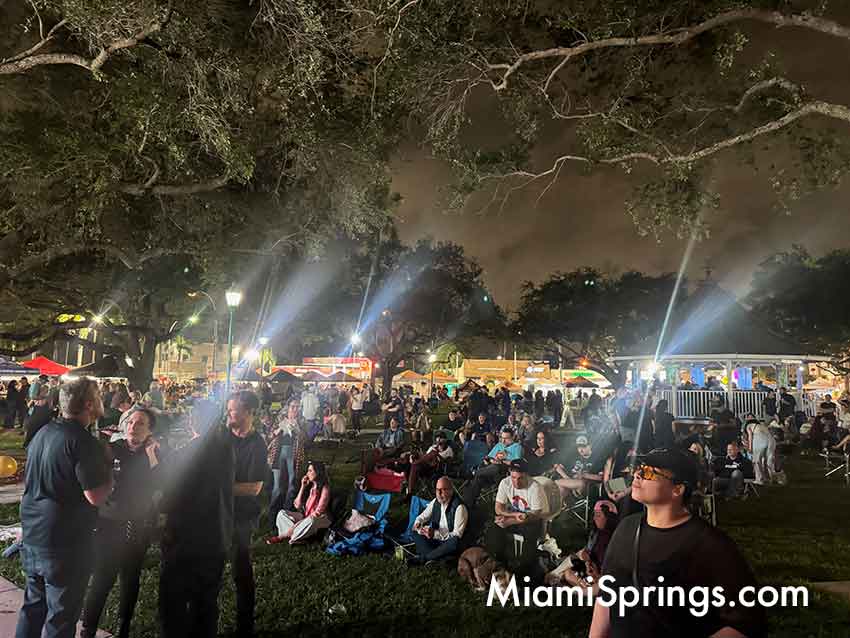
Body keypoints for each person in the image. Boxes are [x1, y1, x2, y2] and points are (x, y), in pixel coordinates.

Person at [590, 448, 766, 637]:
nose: (637, 475)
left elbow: (745, 622)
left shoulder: (710, 545)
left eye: (649, 472)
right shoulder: (627, 528)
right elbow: (608, 594)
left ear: (677, 489)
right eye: (640, 468)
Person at [16, 378, 113, 638]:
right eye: (99, 396)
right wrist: (110, 470)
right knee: (60, 616)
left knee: (33, 607)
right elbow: (96, 496)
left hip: (34, 532)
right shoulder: (83, 441)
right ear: (90, 404)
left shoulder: (44, 432)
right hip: (64, 542)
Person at [81, 409, 161, 638]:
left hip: (139, 525)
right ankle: (88, 628)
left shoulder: (154, 454)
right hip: (109, 523)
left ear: (150, 430)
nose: (133, 426)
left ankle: (124, 626)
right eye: (130, 422)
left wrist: (152, 454)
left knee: (130, 577)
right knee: (102, 577)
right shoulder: (112, 450)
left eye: (140, 423)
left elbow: (161, 482)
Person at [158, 395, 234, 638]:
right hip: (216, 536)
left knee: (174, 601)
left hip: (186, 538)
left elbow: (170, 495)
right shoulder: (226, 449)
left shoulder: (188, 453)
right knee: (206, 601)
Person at [226, 390, 269, 638]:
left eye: (233, 410)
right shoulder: (223, 437)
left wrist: (219, 487)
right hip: (217, 512)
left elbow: (254, 487)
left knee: (241, 569)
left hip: (242, 515)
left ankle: (245, 625)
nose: (229, 414)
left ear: (248, 412)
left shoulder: (257, 444)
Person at [485, 458, 546, 571]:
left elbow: (536, 515)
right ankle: (499, 563)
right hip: (515, 516)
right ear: (509, 473)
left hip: (532, 520)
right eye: (513, 477)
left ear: (526, 475)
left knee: (530, 533)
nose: (516, 482)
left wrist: (510, 521)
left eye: (520, 478)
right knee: (494, 527)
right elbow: (498, 508)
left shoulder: (535, 487)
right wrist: (512, 516)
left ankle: (524, 568)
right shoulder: (505, 483)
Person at [268, 461, 331, 544]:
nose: (307, 473)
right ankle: (298, 536)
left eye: (310, 471)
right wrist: (303, 486)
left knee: (311, 521)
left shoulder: (325, 488)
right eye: (308, 470)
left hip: (320, 519)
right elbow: (297, 505)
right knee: (281, 513)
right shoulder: (309, 486)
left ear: (318, 472)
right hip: (305, 516)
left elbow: (318, 513)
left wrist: (296, 525)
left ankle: (284, 536)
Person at [411, 477, 468, 564]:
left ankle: (425, 558)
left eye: (443, 490)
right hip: (435, 540)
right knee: (415, 532)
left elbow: (457, 535)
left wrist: (435, 534)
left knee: (455, 542)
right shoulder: (435, 501)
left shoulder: (459, 507)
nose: (439, 493)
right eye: (437, 490)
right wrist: (418, 523)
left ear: (451, 491)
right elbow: (423, 516)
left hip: (448, 543)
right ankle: (438, 558)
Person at [462, 428, 523, 504]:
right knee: (479, 479)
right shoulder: (499, 445)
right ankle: (469, 504)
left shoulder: (517, 447)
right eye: (502, 438)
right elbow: (489, 457)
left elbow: (517, 463)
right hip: (490, 471)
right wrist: (492, 460)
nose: (503, 441)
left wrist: (502, 461)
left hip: (504, 471)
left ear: (513, 437)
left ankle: (474, 473)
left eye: (506, 438)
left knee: (494, 468)